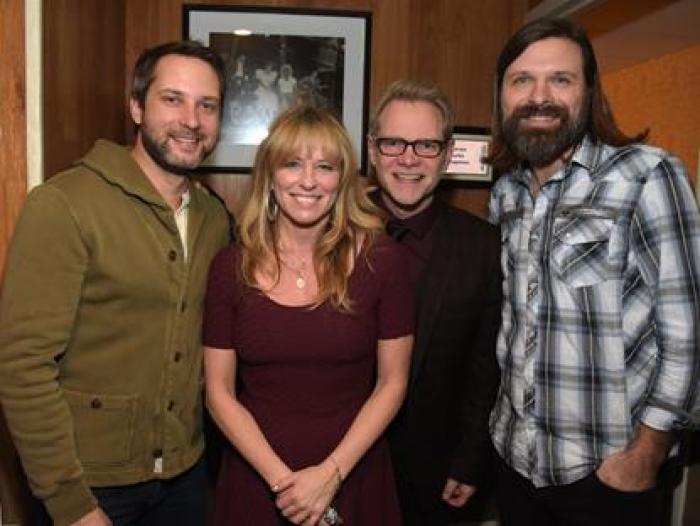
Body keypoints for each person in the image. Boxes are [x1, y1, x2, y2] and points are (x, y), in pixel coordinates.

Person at [0, 41, 231, 526]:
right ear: (136, 107)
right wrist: (71, 503)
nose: (191, 119)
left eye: (206, 105)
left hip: (187, 480)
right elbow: (22, 365)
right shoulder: (65, 204)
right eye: (172, 99)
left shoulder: (214, 218)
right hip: (91, 485)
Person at [486, 17, 700, 526]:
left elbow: (688, 334)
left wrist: (645, 454)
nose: (540, 96)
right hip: (513, 462)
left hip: (606, 474)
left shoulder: (647, 175)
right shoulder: (505, 194)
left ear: (588, 91)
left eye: (560, 79)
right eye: (522, 81)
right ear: (502, 97)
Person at [203, 104, 414, 525]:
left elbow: (393, 382)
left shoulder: (383, 262)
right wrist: (285, 483)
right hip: (257, 482)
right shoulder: (231, 267)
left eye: (325, 167)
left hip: (355, 475)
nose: (308, 181)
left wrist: (330, 474)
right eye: (293, 164)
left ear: (343, 179)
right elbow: (219, 392)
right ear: (270, 176)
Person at [367, 79, 502, 525]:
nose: (408, 158)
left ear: (446, 155)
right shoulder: (328, 231)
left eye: (425, 145)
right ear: (372, 151)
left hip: (438, 476)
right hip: (341, 465)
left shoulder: (484, 246)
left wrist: (470, 459)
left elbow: (487, 366)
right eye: (393, 143)